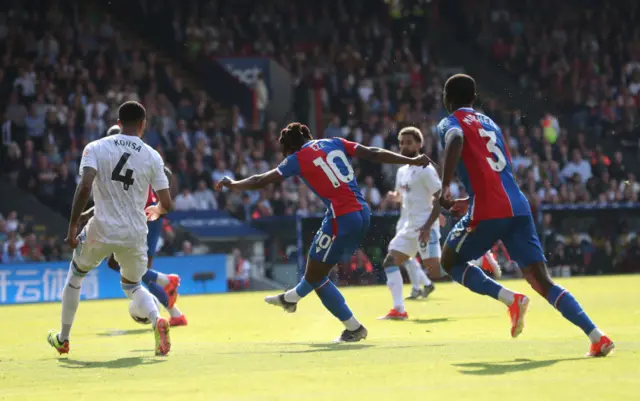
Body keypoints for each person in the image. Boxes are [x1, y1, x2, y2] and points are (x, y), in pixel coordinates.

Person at [437, 74, 613, 357]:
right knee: (543, 281)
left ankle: (511, 299)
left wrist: (445, 185)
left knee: (449, 261)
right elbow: (498, 171)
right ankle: (597, 336)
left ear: (448, 98)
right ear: (473, 98)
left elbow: (456, 138)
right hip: (518, 206)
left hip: (488, 209)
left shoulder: (450, 122)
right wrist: (469, 199)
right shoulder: (490, 123)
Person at [215, 122, 430, 342]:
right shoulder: (333, 142)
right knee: (314, 267)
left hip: (342, 217)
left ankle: (352, 327)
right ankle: (291, 298)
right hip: (361, 211)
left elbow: (262, 180)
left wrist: (235, 184)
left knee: (316, 275)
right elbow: (372, 153)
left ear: (290, 148)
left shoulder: (297, 158)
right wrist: (411, 160)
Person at [47, 101, 174, 356]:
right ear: (142, 124)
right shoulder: (151, 155)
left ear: (118, 123)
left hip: (101, 229)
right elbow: (166, 203)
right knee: (133, 286)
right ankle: (157, 319)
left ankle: (64, 338)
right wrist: (157, 210)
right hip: (135, 233)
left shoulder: (95, 148)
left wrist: (73, 226)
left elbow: (84, 187)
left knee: (76, 275)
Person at [77, 125, 188, 327]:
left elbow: (112, 201)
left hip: (138, 218)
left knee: (121, 266)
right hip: (149, 216)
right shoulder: (140, 153)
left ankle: (165, 282)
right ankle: (175, 312)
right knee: (139, 270)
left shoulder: (109, 157)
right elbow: (167, 173)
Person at [378, 126, 441, 320]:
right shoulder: (402, 171)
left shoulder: (426, 169)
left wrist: (429, 225)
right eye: (402, 142)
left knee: (436, 272)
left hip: (425, 226)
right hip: (408, 226)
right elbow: (402, 196)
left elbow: (439, 197)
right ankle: (399, 309)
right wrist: (393, 197)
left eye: (409, 142)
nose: (405, 146)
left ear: (419, 144)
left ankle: (475, 260)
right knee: (390, 261)